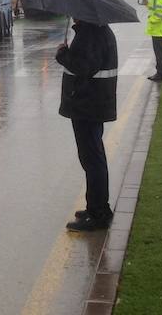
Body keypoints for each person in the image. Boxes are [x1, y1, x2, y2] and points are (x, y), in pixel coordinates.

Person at [55, 18, 118, 231]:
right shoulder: (95, 30)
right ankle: (96, 207)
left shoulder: (90, 33)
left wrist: (63, 55)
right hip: (92, 103)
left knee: (92, 159)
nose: (72, 15)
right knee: (92, 157)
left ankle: (98, 213)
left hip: (88, 104)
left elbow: (85, 66)